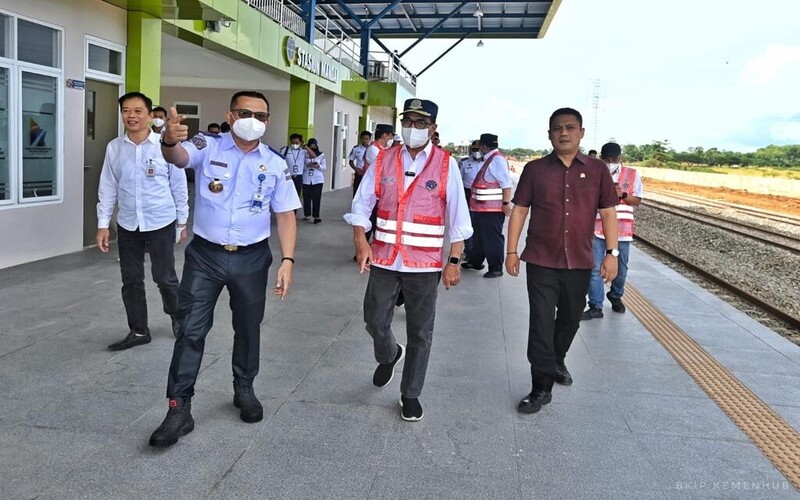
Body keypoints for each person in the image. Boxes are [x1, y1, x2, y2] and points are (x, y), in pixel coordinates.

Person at [149, 91, 300, 447]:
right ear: (230, 116)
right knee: (190, 330)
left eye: (260, 115)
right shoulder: (208, 145)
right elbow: (178, 156)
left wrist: (288, 260)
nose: (253, 119)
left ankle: (244, 389)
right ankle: (178, 407)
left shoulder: (275, 163)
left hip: (251, 258)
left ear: (268, 121)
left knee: (248, 329)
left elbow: (286, 215)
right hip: (205, 257)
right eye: (245, 112)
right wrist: (170, 137)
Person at [344, 98, 472, 422]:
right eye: (408, 121)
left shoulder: (446, 165)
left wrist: (453, 261)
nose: (412, 128)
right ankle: (389, 354)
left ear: (432, 128)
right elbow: (361, 205)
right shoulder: (384, 160)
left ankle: (410, 393)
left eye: (420, 123)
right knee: (374, 320)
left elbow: (458, 217)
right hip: (385, 257)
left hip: (425, 264)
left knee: (421, 332)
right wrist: (361, 240)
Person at [506, 107, 619, 415]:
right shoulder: (535, 170)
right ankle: (541, 386)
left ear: (581, 132)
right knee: (540, 323)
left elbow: (608, 212)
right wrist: (511, 251)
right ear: (549, 134)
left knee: (570, 318)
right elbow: (519, 210)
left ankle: (557, 358)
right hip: (541, 260)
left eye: (570, 127)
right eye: (557, 128)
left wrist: (612, 254)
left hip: (580, 262)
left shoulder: (597, 170)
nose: (564, 133)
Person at [96, 92, 188, 351]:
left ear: (150, 115)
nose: (131, 116)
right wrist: (103, 224)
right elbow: (108, 187)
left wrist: (182, 222)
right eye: (126, 110)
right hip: (128, 224)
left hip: (161, 221)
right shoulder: (114, 147)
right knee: (131, 280)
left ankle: (179, 320)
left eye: (138, 111)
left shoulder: (164, 146)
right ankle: (138, 331)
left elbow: (178, 186)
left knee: (165, 277)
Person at [582, 142, 644, 319]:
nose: (611, 162)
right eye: (607, 159)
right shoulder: (593, 173)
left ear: (620, 158)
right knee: (594, 269)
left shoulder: (632, 174)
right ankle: (595, 305)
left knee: (621, 270)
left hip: (622, 231)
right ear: (602, 158)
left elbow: (637, 201)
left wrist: (622, 195)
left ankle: (616, 295)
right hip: (596, 228)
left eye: (614, 159)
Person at [462, 133, 513, 278]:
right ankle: (476, 261)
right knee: (478, 236)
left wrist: (505, 203)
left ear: (484, 146)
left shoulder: (496, 160)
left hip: (492, 209)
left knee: (492, 238)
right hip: (481, 209)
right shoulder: (489, 159)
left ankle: (496, 267)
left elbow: (506, 184)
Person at [363, 124, 395, 241]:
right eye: (390, 136)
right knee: (369, 222)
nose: (391, 139)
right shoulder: (373, 150)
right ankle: (362, 250)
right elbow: (385, 169)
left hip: (381, 193)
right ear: (384, 135)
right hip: (372, 192)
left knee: (378, 222)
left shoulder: (384, 150)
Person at [458, 139, 483, 261]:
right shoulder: (464, 163)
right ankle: (468, 250)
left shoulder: (488, 162)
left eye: (478, 149)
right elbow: (458, 180)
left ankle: (477, 253)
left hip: (482, 196)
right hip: (467, 193)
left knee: (479, 224)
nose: (476, 152)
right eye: (473, 149)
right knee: (468, 223)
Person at [280, 133, 316, 198]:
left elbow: (313, 156)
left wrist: (305, 146)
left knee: (296, 196)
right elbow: (279, 160)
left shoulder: (303, 151)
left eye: (297, 143)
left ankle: (294, 208)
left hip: (298, 177)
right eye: (293, 142)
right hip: (287, 175)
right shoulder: (285, 150)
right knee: (286, 196)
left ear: (300, 142)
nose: (294, 144)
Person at [302, 138, 326, 223]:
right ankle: (307, 215)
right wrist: (307, 165)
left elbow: (324, 168)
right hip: (306, 179)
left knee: (316, 198)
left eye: (314, 146)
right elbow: (301, 167)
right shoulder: (304, 153)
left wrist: (318, 166)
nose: (313, 147)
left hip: (318, 180)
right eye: (311, 146)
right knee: (306, 198)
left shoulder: (321, 154)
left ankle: (316, 216)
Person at [349, 130, 371, 197]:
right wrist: (355, 169)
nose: (365, 140)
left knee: (367, 193)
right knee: (356, 193)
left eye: (367, 139)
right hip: (359, 173)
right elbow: (351, 161)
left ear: (369, 139)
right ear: (360, 139)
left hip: (368, 174)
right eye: (363, 138)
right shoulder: (356, 148)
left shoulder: (372, 149)